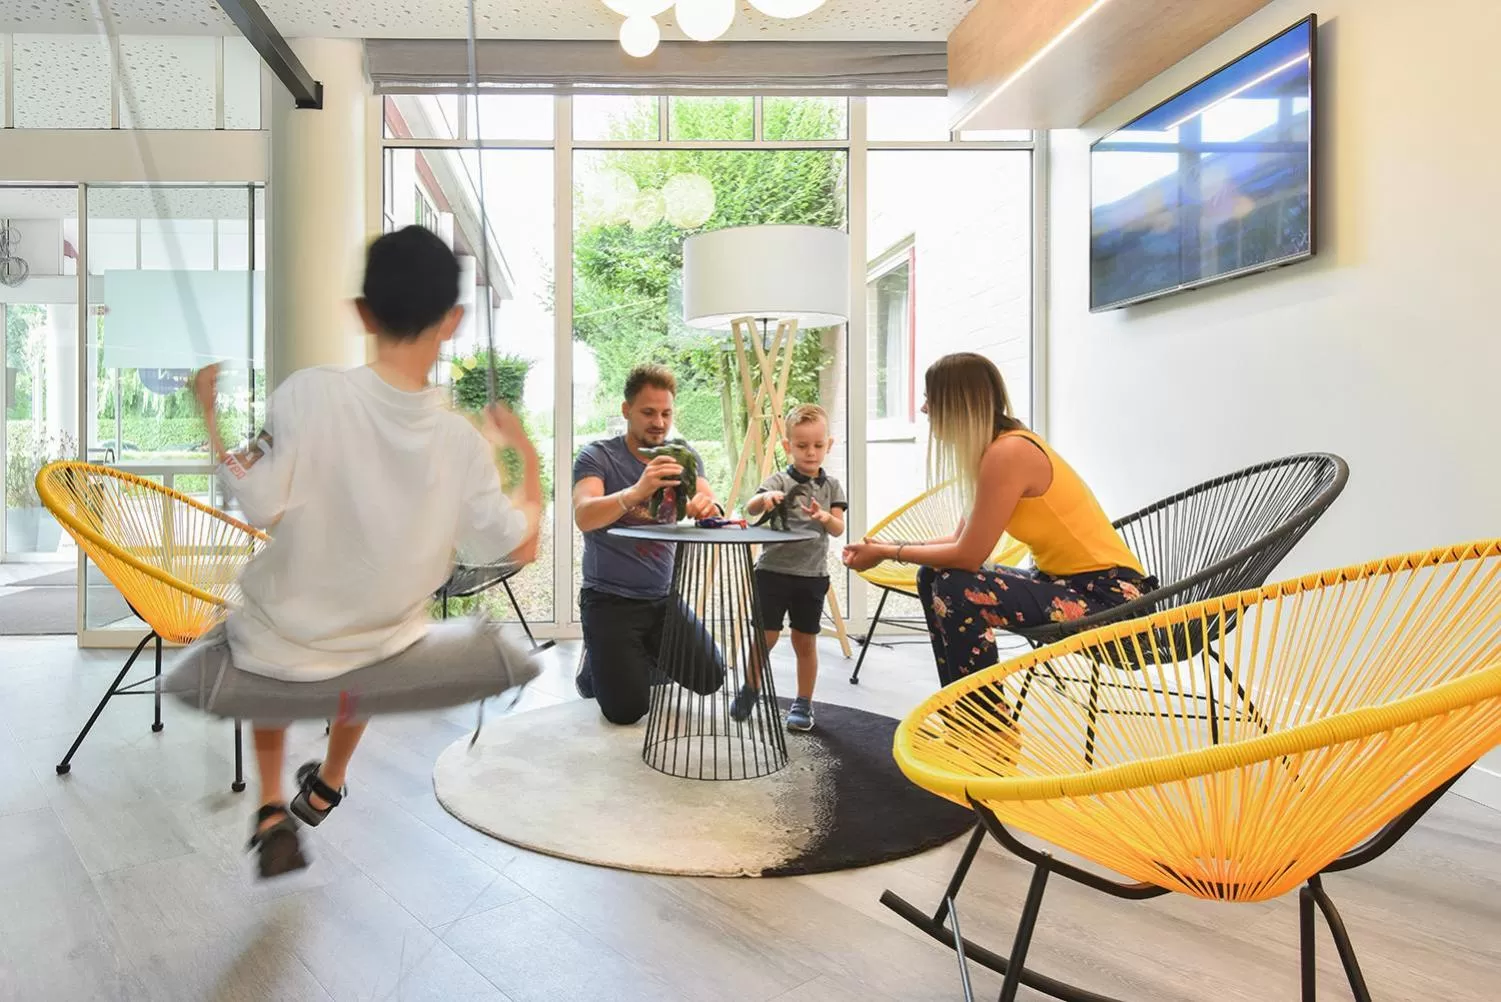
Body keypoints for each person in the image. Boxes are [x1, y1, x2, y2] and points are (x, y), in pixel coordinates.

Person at [191, 225, 543, 878]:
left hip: (287, 636)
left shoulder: (309, 393)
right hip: (381, 644)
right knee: (380, 640)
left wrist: (209, 418)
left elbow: (259, 502)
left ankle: (271, 806)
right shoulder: (461, 441)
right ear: (455, 321)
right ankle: (328, 782)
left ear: (361, 314)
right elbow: (517, 542)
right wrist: (522, 452)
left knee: (266, 629)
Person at [842, 352, 1155, 688]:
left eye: (930, 399)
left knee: (957, 587)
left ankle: (986, 726)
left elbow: (968, 556)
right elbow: (957, 541)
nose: (924, 409)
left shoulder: (1009, 454)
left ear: (957, 404)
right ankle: (960, 712)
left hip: (1114, 603)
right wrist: (884, 546)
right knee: (931, 574)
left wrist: (890, 553)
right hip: (1065, 586)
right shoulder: (995, 450)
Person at [572, 364, 725, 725]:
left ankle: (630, 657)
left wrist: (708, 507)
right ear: (626, 411)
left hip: (661, 599)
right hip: (609, 599)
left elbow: (709, 503)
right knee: (626, 712)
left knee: (710, 677)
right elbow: (584, 515)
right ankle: (597, 663)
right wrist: (637, 492)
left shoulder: (681, 455)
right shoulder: (598, 456)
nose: (659, 422)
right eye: (648, 412)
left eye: (666, 413)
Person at [732, 404, 845, 731]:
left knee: (804, 641)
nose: (811, 452)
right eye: (802, 445)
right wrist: (765, 500)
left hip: (811, 577)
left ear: (829, 445)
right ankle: (751, 687)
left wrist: (825, 517)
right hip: (772, 573)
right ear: (788, 446)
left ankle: (803, 702)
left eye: (818, 445)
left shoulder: (832, 487)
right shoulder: (778, 479)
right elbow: (750, 506)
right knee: (765, 636)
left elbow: (838, 528)